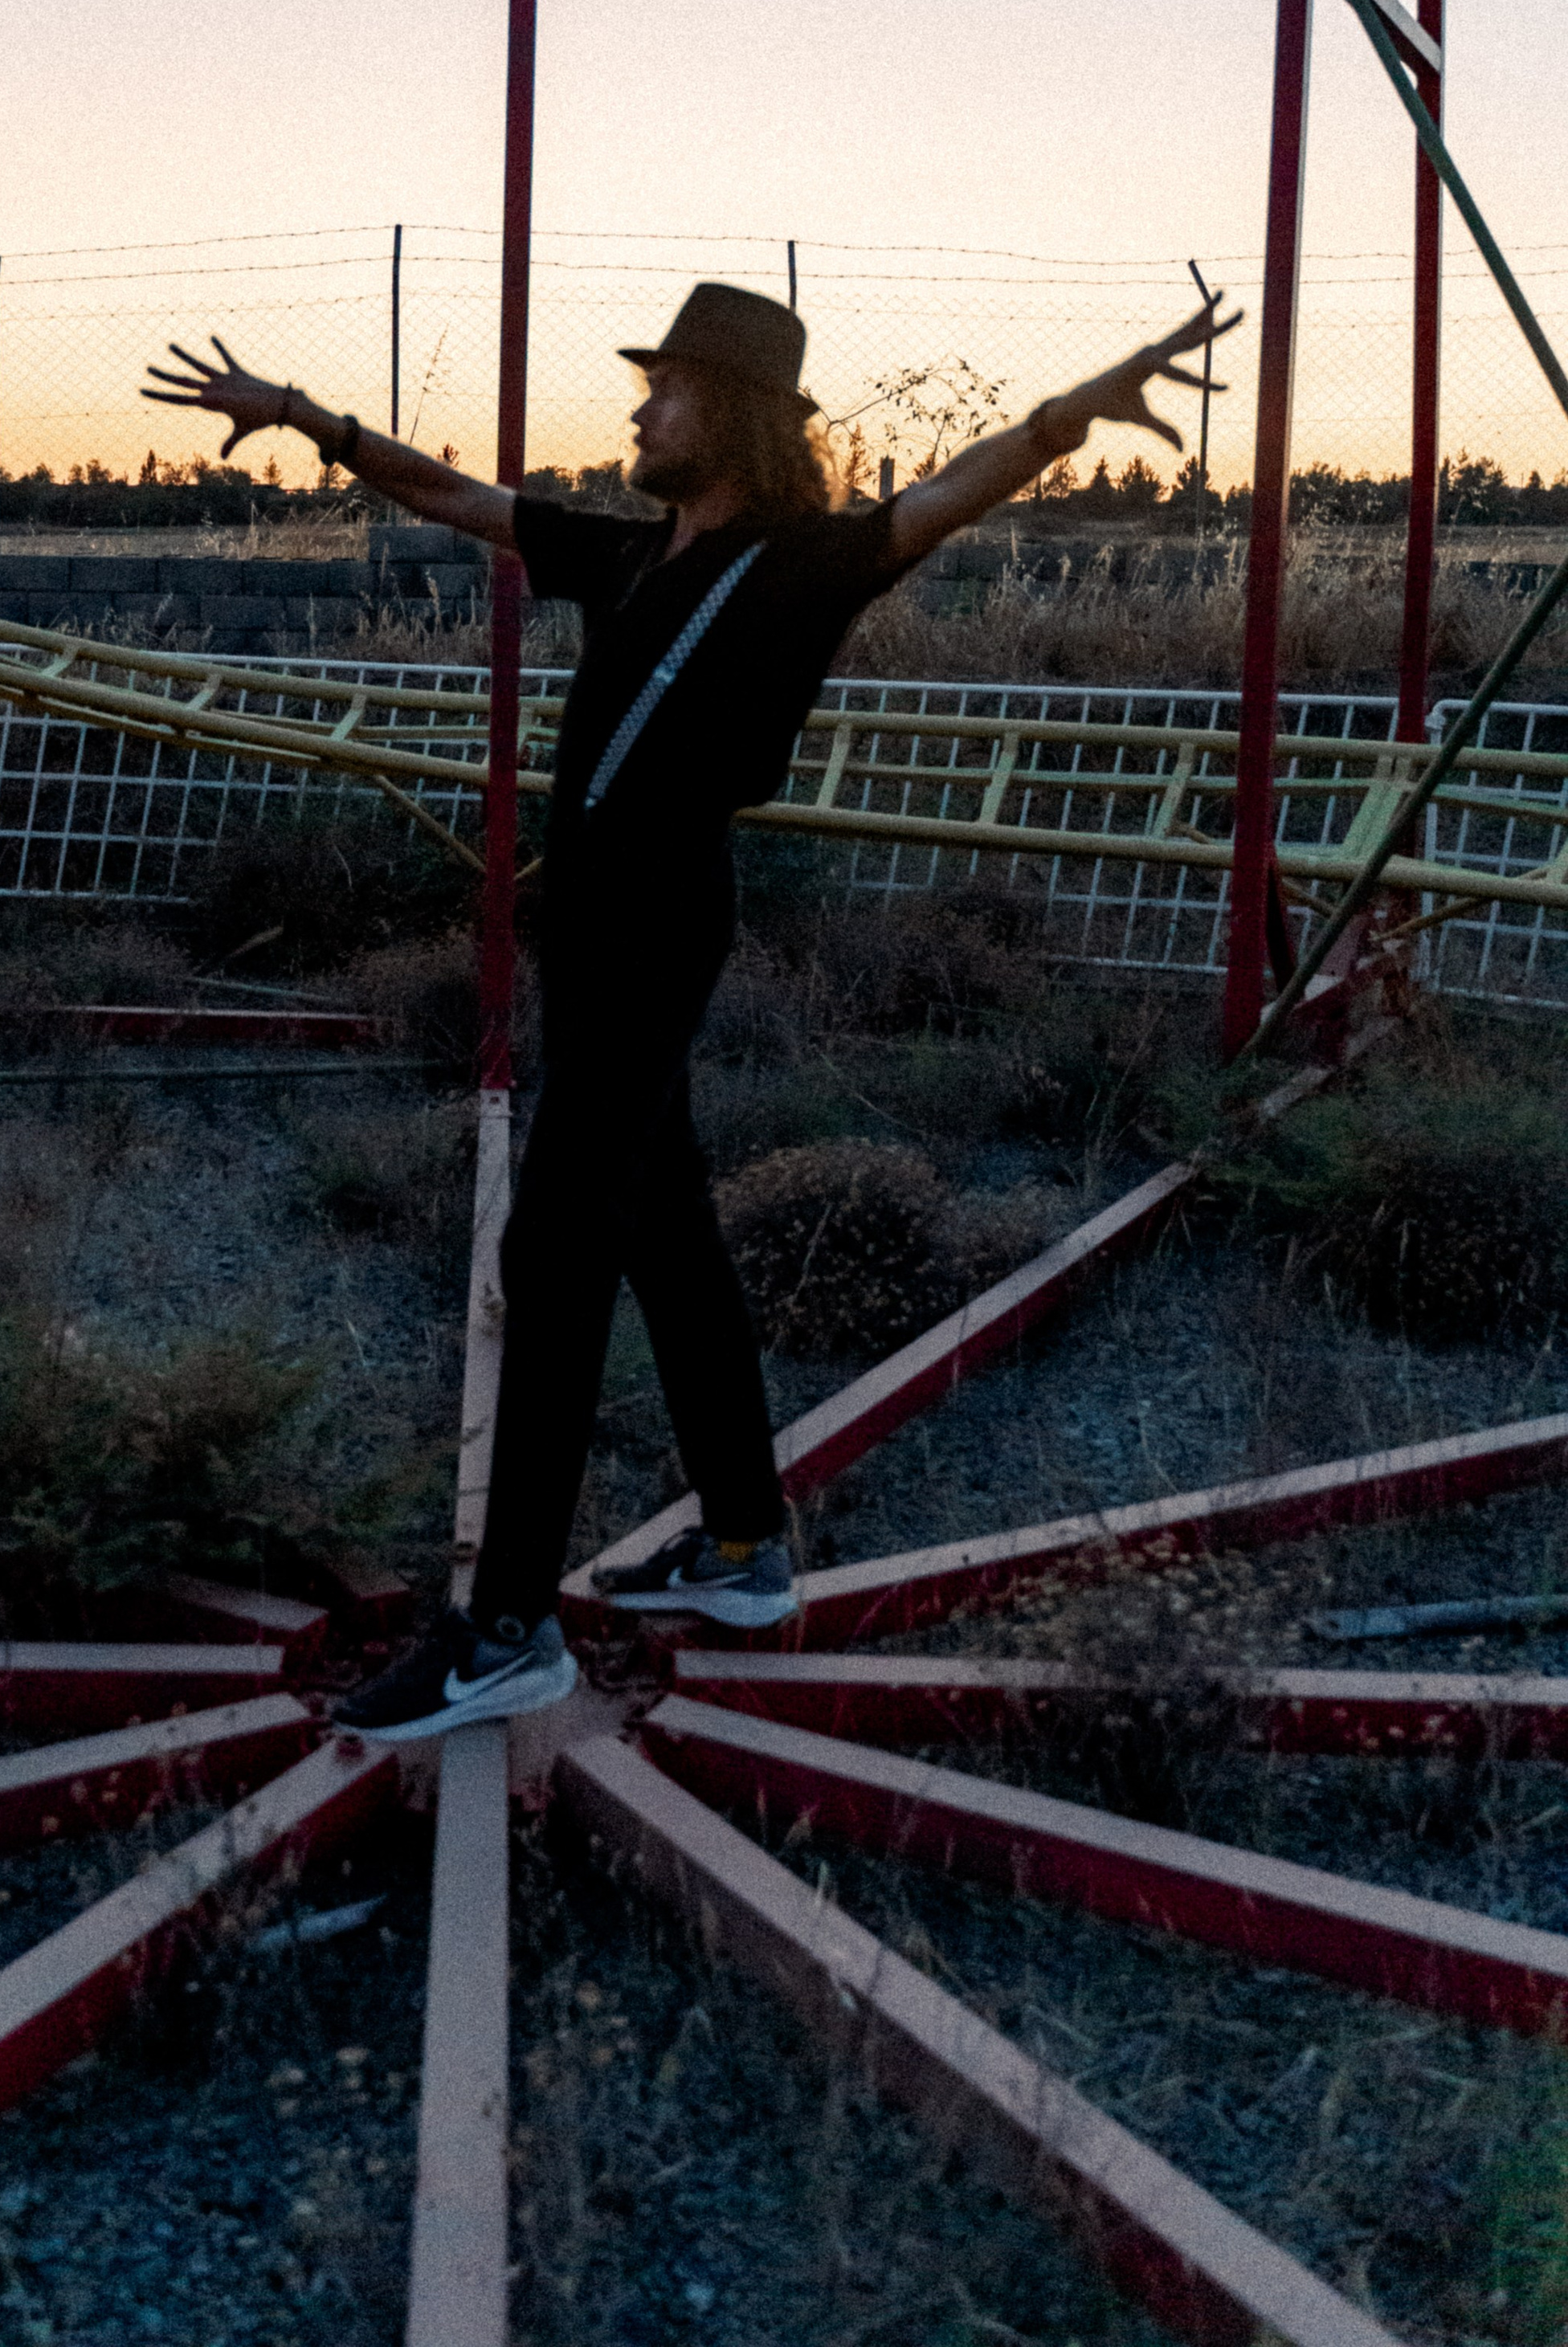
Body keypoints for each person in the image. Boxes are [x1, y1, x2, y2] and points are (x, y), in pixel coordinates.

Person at [142, 279, 1235, 1741]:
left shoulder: (805, 561)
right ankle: (741, 1548)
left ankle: (510, 1630)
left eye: (661, 392)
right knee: (670, 1231)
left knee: (555, 1237)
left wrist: (1066, 414)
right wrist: (306, 420)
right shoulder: (633, 548)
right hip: (595, 923)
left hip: (659, 923)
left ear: (725, 413)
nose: (637, 411)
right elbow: (457, 494)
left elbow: (945, 502)